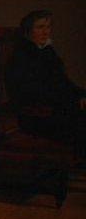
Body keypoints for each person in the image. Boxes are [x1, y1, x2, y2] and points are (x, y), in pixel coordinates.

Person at [5, 9, 86, 158]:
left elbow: (64, 83)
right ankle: (79, 166)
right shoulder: (22, 56)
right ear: (28, 31)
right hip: (35, 117)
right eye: (40, 27)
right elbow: (28, 93)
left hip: (56, 110)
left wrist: (81, 94)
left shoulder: (48, 52)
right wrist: (71, 101)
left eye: (48, 27)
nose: (46, 31)